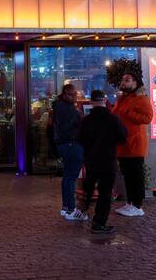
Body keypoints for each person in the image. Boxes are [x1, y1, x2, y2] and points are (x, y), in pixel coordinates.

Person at [78, 90, 127, 234]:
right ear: (105, 100)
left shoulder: (86, 120)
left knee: (88, 188)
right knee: (105, 193)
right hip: (107, 161)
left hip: (91, 161)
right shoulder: (113, 119)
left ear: (91, 102)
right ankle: (99, 222)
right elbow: (123, 138)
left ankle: (83, 210)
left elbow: (80, 139)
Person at [112, 69, 153, 218]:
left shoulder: (141, 98)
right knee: (128, 175)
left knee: (135, 176)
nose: (124, 82)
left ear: (136, 83)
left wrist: (127, 113)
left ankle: (137, 205)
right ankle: (131, 203)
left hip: (134, 144)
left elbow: (148, 118)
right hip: (123, 144)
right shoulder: (123, 98)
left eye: (127, 79)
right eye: (123, 80)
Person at [52, 84, 87, 221]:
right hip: (71, 143)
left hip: (63, 144)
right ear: (65, 94)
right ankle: (71, 209)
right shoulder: (68, 109)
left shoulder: (59, 106)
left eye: (75, 94)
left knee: (67, 177)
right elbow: (75, 123)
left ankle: (66, 208)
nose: (75, 97)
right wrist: (80, 116)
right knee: (71, 177)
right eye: (72, 94)